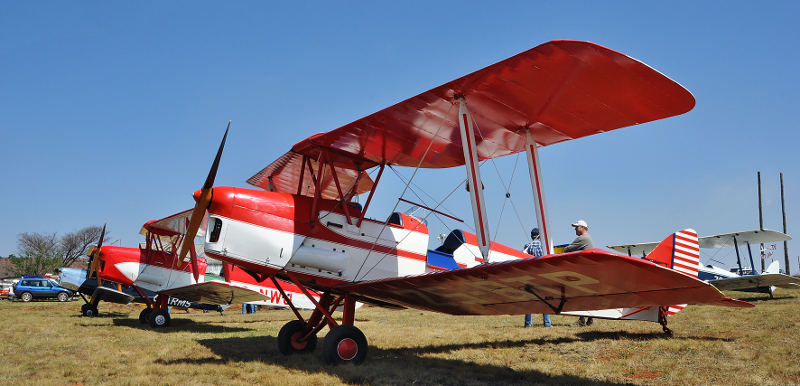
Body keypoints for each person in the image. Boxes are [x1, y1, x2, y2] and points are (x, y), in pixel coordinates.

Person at [565, 219, 594, 326]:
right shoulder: (588, 238)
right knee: (587, 295)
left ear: (582, 227)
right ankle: (590, 319)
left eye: (576, 227)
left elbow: (567, 249)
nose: (575, 229)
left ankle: (581, 320)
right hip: (589, 271)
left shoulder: (582, 238)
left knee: (579, 295)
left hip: (584, 271)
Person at [523, 228, 551, 327]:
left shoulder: (527, 246)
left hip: (530, 275)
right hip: (541, 274)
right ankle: (547, 323)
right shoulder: (543, 246)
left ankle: (528, 323)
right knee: (544, 299)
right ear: (539, 236)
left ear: (532, 236)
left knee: (529, 299)